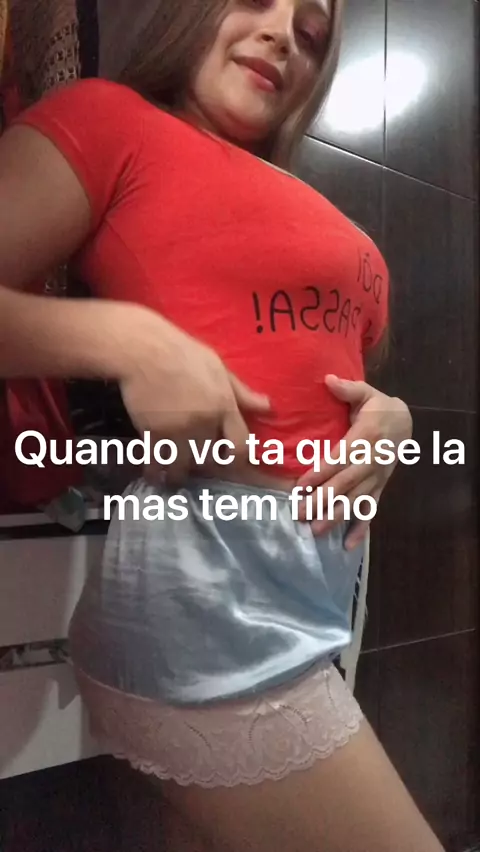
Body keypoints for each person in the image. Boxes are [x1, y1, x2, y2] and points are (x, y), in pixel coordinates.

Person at [0, 0, 441, 850]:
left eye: (312, 34)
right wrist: (125, 341)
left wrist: (395, 419)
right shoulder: (112, 121)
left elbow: (336, 378)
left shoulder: (316, 211)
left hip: (313, 594)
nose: (283, 34)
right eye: (257, 1)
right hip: (215, 600)